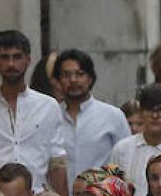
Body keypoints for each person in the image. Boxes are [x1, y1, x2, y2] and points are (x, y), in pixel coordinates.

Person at [0, 30, 68, 196]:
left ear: (28, 60)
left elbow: (56, 164)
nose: (11, 64)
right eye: (5, 57)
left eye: (17, 57)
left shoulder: (48, 106)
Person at [51, 50, 131, 182]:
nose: (73, 80)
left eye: (79, 74)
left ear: (90, 78)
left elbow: (126, 161)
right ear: (58, 80)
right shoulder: (51, 116)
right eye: (66, 75)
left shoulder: (112, 116)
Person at [105, 83, 161, 196]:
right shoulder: (122, 148)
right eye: (149, 110)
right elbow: (110, 188)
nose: (155, 116)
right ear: (141, 112)